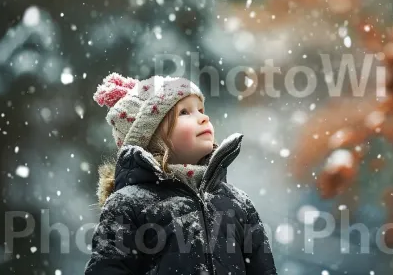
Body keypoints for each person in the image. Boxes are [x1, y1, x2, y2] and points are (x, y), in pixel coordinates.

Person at [84, 72, 277, 275]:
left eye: (201, 110)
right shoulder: (129, 204)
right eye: (185, 112)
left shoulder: (238, 203)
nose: (203, 118)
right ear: (150, 135)